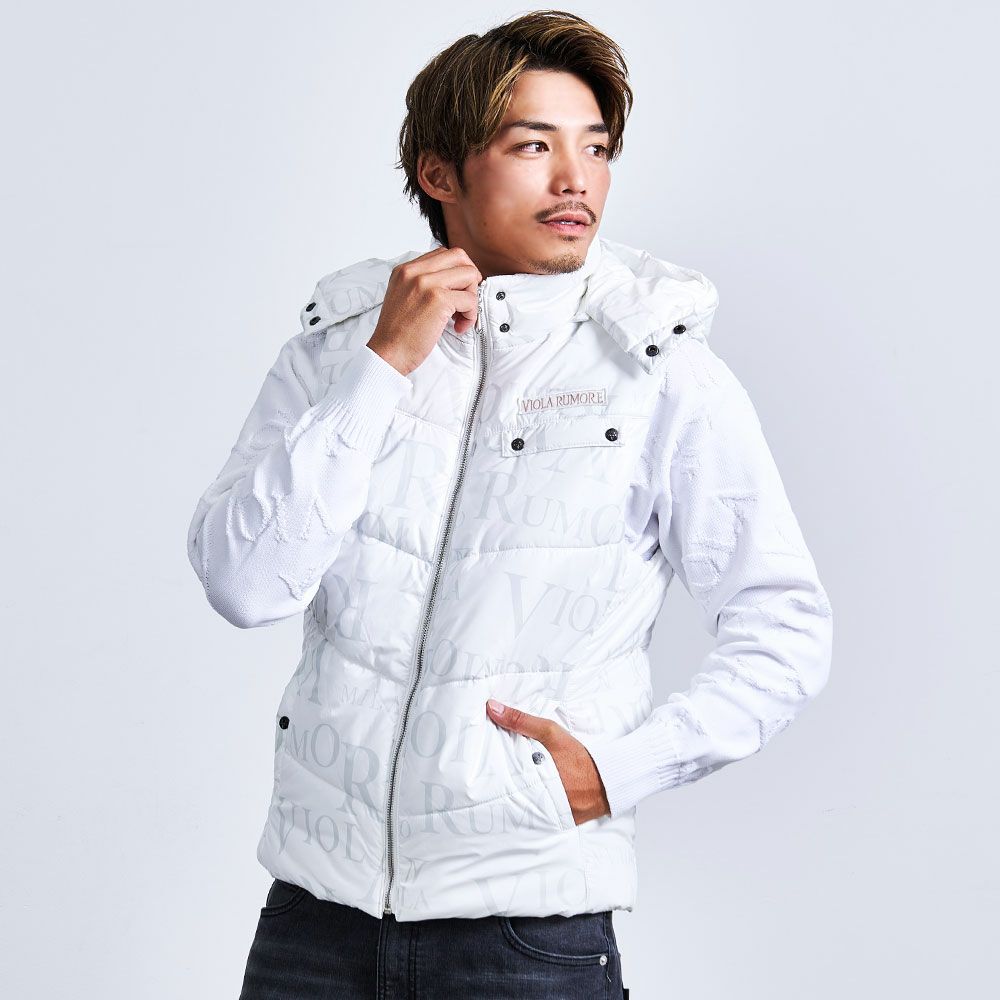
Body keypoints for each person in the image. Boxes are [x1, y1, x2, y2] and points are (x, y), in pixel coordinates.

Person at [185, 10, 833, 999]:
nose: (576, 180)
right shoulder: (335, 350)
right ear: (440, 173)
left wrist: (619, 772)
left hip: (528, 936)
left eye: (596, 148)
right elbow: (245, 584)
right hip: (313, 924)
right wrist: (380, 368)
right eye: (535, 146)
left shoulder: (658, 370)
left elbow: (785, 624)